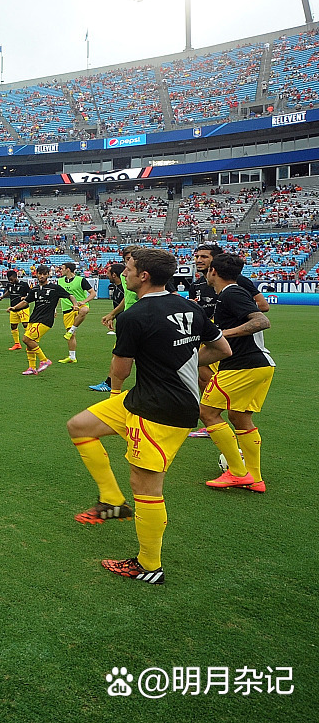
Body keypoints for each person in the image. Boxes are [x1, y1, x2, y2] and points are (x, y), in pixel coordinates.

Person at [65, 248, 230, 585]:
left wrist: (121, 391)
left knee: (146, 486)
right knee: (79, 426)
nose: (123, 273)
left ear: (143, 276)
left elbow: (120, 370)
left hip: (159, 409)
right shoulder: (190, 307)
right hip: (149, 399)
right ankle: (112, 501)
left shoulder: (134, 316)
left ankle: (149, 566)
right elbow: (222, 349)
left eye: (128, 268)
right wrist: (181, 361)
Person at [198, 253, 274, 492]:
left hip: (243, 366)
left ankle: (238, 472)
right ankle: (255, 478)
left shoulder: (232, 293)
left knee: (207, 412)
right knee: (240, 418)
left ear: (213, 271)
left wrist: (221, 334)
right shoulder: (229, 294)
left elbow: (261, 321)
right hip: (258, 365)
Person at [184, 243, 270, 437]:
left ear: (214, 266)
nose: (198, 260)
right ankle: (217, 421)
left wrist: (223, 332)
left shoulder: (234, 288)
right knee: (237, 415)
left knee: (207, 411)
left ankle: (215, 421)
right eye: (197, 256)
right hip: (221, 345)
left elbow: (262, 316)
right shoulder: (198, 285)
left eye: (204, 257)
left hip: (239, 355)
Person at [12, 265, 80, 375]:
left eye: (44, 274)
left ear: (48, 275)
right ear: (36, 274)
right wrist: (14, 308)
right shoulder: (35, 289)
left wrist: (75, 304)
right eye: (40, 274)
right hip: (33, 319)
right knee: (30, 344)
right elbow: (26, 301)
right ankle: (32, 367)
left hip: (45, 320)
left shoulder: (54, 288)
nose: (42, 276)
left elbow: (70, 296)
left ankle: (44, 360)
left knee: (26, 339)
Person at [90, 262, 129, 392]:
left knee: (118, 355)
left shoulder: (125, 289)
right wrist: (113, 317)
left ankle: (110, 385)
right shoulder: (117, 288)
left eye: (108, 272)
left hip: (129, 327)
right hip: (123, 325)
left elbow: (125, 304)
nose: (106, 274)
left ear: (114, 275)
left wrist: (111, 315)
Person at [57, 261, 97, 364]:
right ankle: (72, 357)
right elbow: (57, 296)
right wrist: (54, 309)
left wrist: (84, 302)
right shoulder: (60, 281)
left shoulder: (81, 280)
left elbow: (93, 293)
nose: (60, 270)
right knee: (71, 336)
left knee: (85, 310)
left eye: (62, 268)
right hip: (67, 309)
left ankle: (72, 330)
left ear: (68, 269)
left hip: (80, 306)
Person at [0, 269, 30, 350]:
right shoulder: (9, 285)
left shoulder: (24, 285)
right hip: (13, 308)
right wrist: (2, 297)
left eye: (11, 279)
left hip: (23, 308)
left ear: (15, 277)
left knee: (25, 325)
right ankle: (17, 344)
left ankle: (30, 343)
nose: (10, 281)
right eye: (9, 280)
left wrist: (25, 297)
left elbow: (31, 294)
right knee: (13, 326)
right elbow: (9, 291)